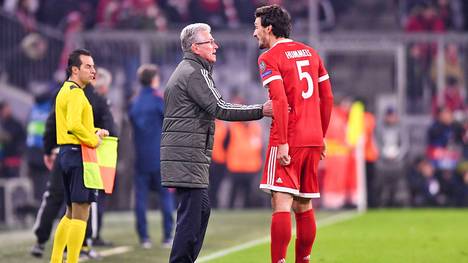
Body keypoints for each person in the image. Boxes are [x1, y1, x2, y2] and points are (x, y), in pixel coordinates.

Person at [160, 23, 272, 263]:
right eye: (209, 41)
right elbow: (220, 107)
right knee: (192, 216)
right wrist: (261, 110)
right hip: (187, 156)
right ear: (195, 47)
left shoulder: (189, 69)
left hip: (187, 155)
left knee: (200, 211)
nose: (215, 45)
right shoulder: (193, 72)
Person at [253, 5, 334, 263]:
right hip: (313, 136)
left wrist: (284, 143)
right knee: (304, 204)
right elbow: (328, 97)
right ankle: (304, 260)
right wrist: (321, 135)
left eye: (256, 27)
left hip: (288, 137)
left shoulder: (269, 58)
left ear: (269, 28)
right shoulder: (311, 53)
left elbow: (278, 99)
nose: (254, 33)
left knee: (282, 202)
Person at [31, 68, 116, 259]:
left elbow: (52, 122)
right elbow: (84, 127)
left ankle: (42, 243)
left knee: (62, 203)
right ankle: (81, 248)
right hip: (83, 155)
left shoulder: (63, 92)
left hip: (62, 152)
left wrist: (48, 148)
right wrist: (96, 138)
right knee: (82, 207)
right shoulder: (88, 97)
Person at [49, 48, 109, 263]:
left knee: (70, 213)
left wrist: (94, 131)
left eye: (93, 66)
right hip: (77, 156)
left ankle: (56, 260)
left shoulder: (65, 90)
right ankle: (72, 260)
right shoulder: (75, 93)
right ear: (75, 70)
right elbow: (74, 125)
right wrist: (93, 140)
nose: (93, 70)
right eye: (88, 66)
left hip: (66, 154)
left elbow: (71, 125)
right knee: (81, 212)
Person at [129, 64, 175, 249]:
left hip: (140, 156)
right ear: (154, 79)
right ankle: (167, 236)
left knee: (141, 198)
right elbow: (170, 122)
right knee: (165, 196)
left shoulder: (134, 101)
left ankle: (144, 237)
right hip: (159, 155)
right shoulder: (159, 99)